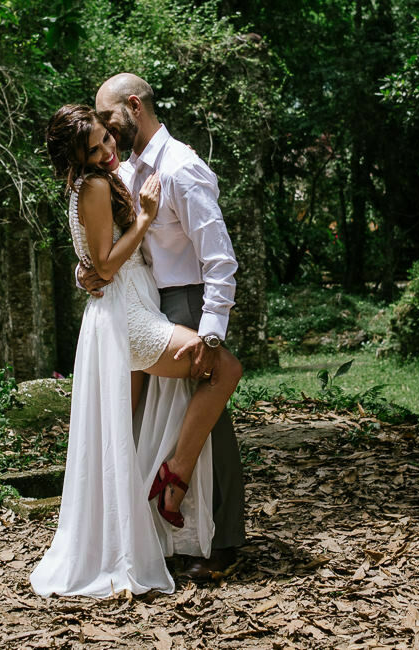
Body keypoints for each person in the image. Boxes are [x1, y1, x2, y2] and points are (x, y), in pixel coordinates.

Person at [30, 104, 242, 598]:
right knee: (223, 368)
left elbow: (93, 256)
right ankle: (176, 474)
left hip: (128, 310)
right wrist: (144, 219)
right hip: (131, 317)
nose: (108, 151)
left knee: (119, 434)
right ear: (76, 158)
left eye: (107, 139)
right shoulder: (100, 184)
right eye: (96, 148)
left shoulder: (97, 181)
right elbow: (102, 264)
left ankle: (118, 537)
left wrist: (90, 267)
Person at [81, 73, 246, 579]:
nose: (105, 134)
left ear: (134, 106)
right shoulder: (128, 170)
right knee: (166, 421)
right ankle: (174, 537)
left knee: (211, 427)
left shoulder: (181, 168)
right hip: (149, 305)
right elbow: (111, 241)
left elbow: (219, 260)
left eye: (108, 120)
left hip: (191, 303)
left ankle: (224, 540)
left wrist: (212, 331)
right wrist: (88, 268)